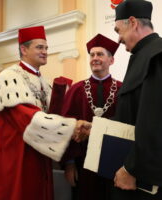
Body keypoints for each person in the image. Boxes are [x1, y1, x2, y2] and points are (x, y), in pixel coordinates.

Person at [99, 0, 162, 199]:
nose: (118, 39)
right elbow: (137, 113)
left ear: (133, 22)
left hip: (150, 181)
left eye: (119, 30)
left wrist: (131, 168)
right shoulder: (147, 53)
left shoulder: (157, 57)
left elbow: (158, 123)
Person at [0, 26, 90, 200]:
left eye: (46, 48)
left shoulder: (44, 82)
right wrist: (73, 127)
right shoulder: (9, 76)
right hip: (17, 157)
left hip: (39, 155)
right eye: (40, 47)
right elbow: (26, 117)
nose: (45, 52)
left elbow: (54, 115)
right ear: (23, 49)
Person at [60, 33, 122, 200]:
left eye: (100, 54)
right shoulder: (76, 90)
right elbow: (65, 127)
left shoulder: (123, 90)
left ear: (111, 60)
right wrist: (69, 164)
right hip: (83, 163)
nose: (95, 58)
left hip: (115, 162)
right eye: (92, 54)